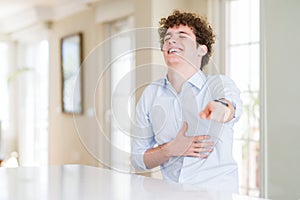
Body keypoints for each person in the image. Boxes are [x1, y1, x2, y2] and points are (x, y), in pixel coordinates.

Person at [131, 10, 242, 193]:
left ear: (201, 49)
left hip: (216, 194)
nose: (171, 41)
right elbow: (138, 160)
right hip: (171, 193)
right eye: (168, 37)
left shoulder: (219, 84)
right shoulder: (151, 94)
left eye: (182, 35)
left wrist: (221, 109)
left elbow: (229, 107)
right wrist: (170, 149)